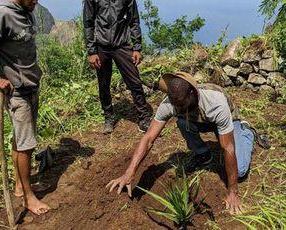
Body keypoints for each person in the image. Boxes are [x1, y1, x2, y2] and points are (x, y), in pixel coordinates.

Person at [106, 72, 256, 215]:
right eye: (175, 105)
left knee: (240, 169)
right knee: (183, 121)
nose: (178, 108)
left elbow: (227, 147)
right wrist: (129, 173)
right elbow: (148, 138)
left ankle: (247, 132)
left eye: (182, 105)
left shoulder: (216, 103)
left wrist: (233, 191)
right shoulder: (170, 103)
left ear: (193, 94)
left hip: (230, 121)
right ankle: (203, 154)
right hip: (201, 120)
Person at [0, 0, 50, 215]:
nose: (36, 1)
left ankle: (20, 185)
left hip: (30, 87)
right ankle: (29, 197)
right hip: (17, 92)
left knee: (20, 141)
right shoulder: (2, 15)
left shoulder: (25, 11)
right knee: (26, 143)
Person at [83, 0, 152, 134]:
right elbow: (88, 24)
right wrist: (91, 51)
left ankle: (144, 117)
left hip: (122, 44)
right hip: (102, 46)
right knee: (103, 84)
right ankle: (109, 117)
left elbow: (134, 20)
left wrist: (137, 47)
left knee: (134, 81)